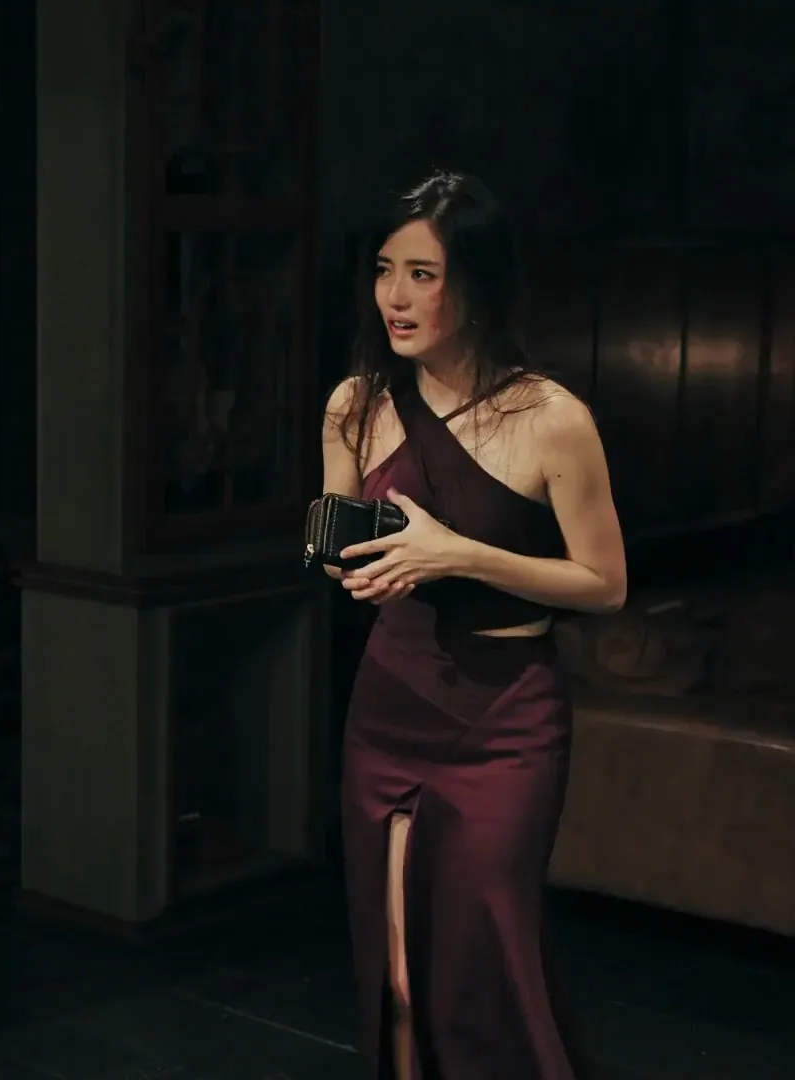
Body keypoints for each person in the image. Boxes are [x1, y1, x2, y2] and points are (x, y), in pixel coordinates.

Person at [320, 171, 627, 1079]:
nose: (395, 296)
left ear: (479, 284)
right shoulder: (355, 404)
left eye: (423, 274)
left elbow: (604, 584)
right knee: (398, 974)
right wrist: (350, 559)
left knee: (482, 969)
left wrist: (459, 555)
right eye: (385, 270)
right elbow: (338, 548)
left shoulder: (552, 418)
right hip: (390, 702)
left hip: (505, 719)